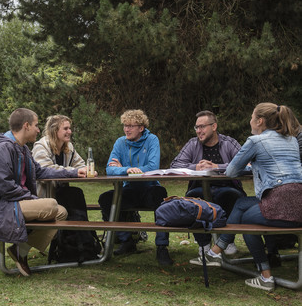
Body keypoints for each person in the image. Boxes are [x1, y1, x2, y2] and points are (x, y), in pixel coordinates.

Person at [189, 103, 302, 291]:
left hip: (280, 204)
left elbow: (232, 170)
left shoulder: (255, 141)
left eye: (251, 117)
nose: (249, 121)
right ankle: (216, 252)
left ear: (260, 121)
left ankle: (265, 277)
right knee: (241, 203)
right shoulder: (290, 140)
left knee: (245, 221)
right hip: (298, 202)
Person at [0, 108, 87, 277]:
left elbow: (41, 172)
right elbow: (3, 186)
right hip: (0, 207)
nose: (38, 129)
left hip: (15, 202)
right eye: (35, 125)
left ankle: (20, 250)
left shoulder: (23, 150)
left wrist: (72, 172)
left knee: (62, 212)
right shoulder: (2, 149)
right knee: (51, 204)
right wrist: (31, 198)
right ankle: (20, 252)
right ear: (26, 126)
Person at [98, 109, 172, 265]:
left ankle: (162, 247)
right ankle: (126, 240)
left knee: (161, 196)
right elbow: (110, 169)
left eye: (131, 126)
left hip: (150, 188)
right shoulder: (120, 142)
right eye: (125, 125)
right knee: (105, 199)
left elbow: (152, 167)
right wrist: (127, 169)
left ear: (141, 128)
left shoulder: (152, 140)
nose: (127, 129)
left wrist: (125, 167)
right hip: (129, 190)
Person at [170, 110, 245, 256]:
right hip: (198, 189)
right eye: (197, 127)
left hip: (227, 187)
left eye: (202, 127)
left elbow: (245, 164)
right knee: (192, 199)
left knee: (231, 197)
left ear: (214, 126)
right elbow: (174, 165)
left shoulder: (229, 143)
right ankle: (203, 243)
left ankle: (227, 240)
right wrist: (195, 167)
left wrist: (217, 167)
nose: (199, 131)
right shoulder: (192, 144)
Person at [32, 115, 96, 214]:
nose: (69, 132)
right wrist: (74, 171)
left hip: (61, 193)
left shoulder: (68, 147)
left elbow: (80, 164)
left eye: (69, 128)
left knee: (75, 194)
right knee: (73, 196)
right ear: (54, 130)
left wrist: (87, 170)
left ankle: (82, 229)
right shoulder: (41, 147)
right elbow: (46, 170)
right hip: (44, 198)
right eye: (65, 129)